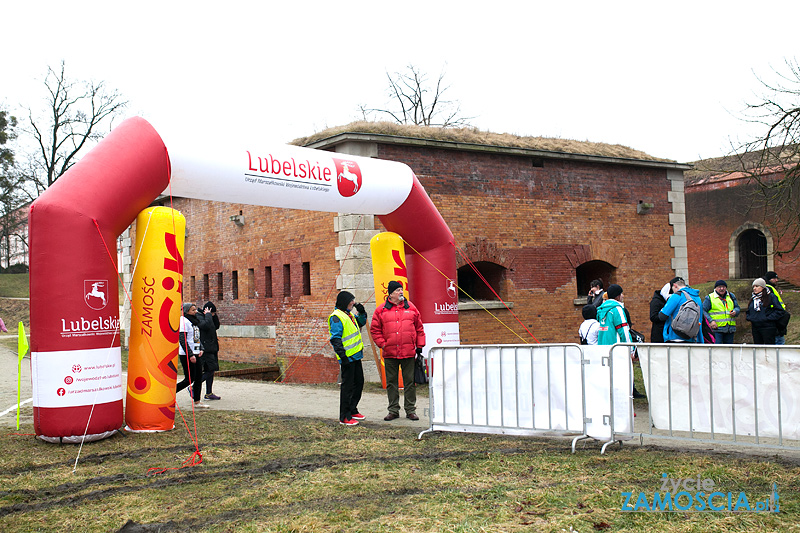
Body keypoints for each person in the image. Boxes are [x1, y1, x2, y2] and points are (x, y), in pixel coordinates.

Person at [371, 280, 426, 421]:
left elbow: (419, 328)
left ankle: (410, 410)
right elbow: (375, 330)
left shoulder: (411, 308)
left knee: (409, 382)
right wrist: (383, 344)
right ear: (391, 293)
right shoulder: (381, 310)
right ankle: (393, 410)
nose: (401, 292)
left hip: (408, 352)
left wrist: (419, 345)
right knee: (391, 383)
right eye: (397, 290)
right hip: (390, 353)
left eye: (401, 289)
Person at [328, 291, 367, 426]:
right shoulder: (336, 317)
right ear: (344, 301)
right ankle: (344, 417)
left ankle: (352, 409)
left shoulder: (349, 314)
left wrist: (362, 312)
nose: (353, 303)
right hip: (347, 358)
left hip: (356, 356)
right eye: (351, 300)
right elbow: (335, 339)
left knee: (359, 383)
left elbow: (361, 322)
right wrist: (343, 357)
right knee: (347, 387)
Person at [176, 303, 209, 409]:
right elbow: (182, 340)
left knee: (198, 377)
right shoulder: (184, 321)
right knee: (189, 379)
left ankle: (197, 401)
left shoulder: (194, 322)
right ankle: (169, 395)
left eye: (195, 310)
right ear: (186, 312)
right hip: (187, 354)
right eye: (193, 310)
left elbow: (196, 337)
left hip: (196, 352)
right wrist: (190, 354)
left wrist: (201, 348)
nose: (196, 312)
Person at [659, 277, 704, 343]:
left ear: (675, 285)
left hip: (674, 337)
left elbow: (662, 316)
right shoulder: (697, 298)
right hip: (693, 338)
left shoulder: (676, 296)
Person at [746, 278, 786, 345]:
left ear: (762, 287)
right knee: (758, 348)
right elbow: (749, 310)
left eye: (757, 286)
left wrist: (767, 318)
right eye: (753, 287)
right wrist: (750, 317)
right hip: (756, 327)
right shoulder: (753, 299)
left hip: (768, 327)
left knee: (769, 348)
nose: (754, 288)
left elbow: (779, 310)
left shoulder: (771, 297)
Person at [702, 280, 739, 344]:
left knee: (729, 350)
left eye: (723, 287)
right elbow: (703, 310)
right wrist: (711, 321)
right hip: (716, 329)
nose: (722, 289)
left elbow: (737, 307)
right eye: (719, 287)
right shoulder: (710, 298)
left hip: (730, 329)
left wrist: (735, 311)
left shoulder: (731, 296)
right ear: (715, 288)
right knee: (717, 350)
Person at [198, 301, 222, 400]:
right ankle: (193, 387)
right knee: (210, 369)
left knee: (211, 371)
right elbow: (206, 326)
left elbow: (216, 326)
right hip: (206, 349)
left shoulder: (210, 317)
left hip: (212, 348)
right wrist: (208, 315)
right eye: (212, 313)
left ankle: (209, 393)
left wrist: (213, 315)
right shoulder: (199, 317)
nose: (212, 315)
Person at [765, 271, 789, 345]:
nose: (776, 280)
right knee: (779, 343)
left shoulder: (770, 287)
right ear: (769, 279)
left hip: (776, 317)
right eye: (774, 278)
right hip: (775, 319)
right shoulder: (769, 289)